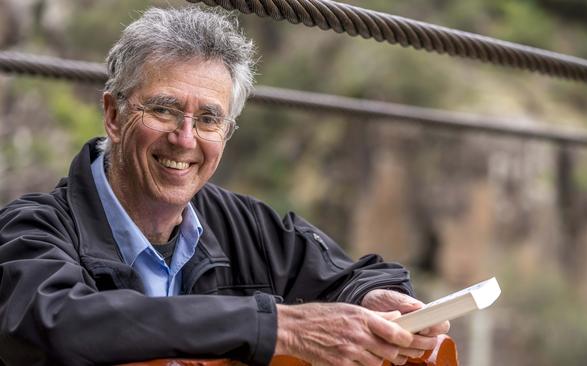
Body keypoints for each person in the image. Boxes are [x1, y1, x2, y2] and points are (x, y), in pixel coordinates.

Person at [0, 7, 449, 366]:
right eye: (164, 109)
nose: (185, 138)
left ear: (227, 132)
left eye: (209, 119)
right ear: (114, 116)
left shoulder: (245, 225)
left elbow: (355, 274)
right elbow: (57, 323)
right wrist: (276, 327)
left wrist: (368, 297)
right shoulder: (32, 229)